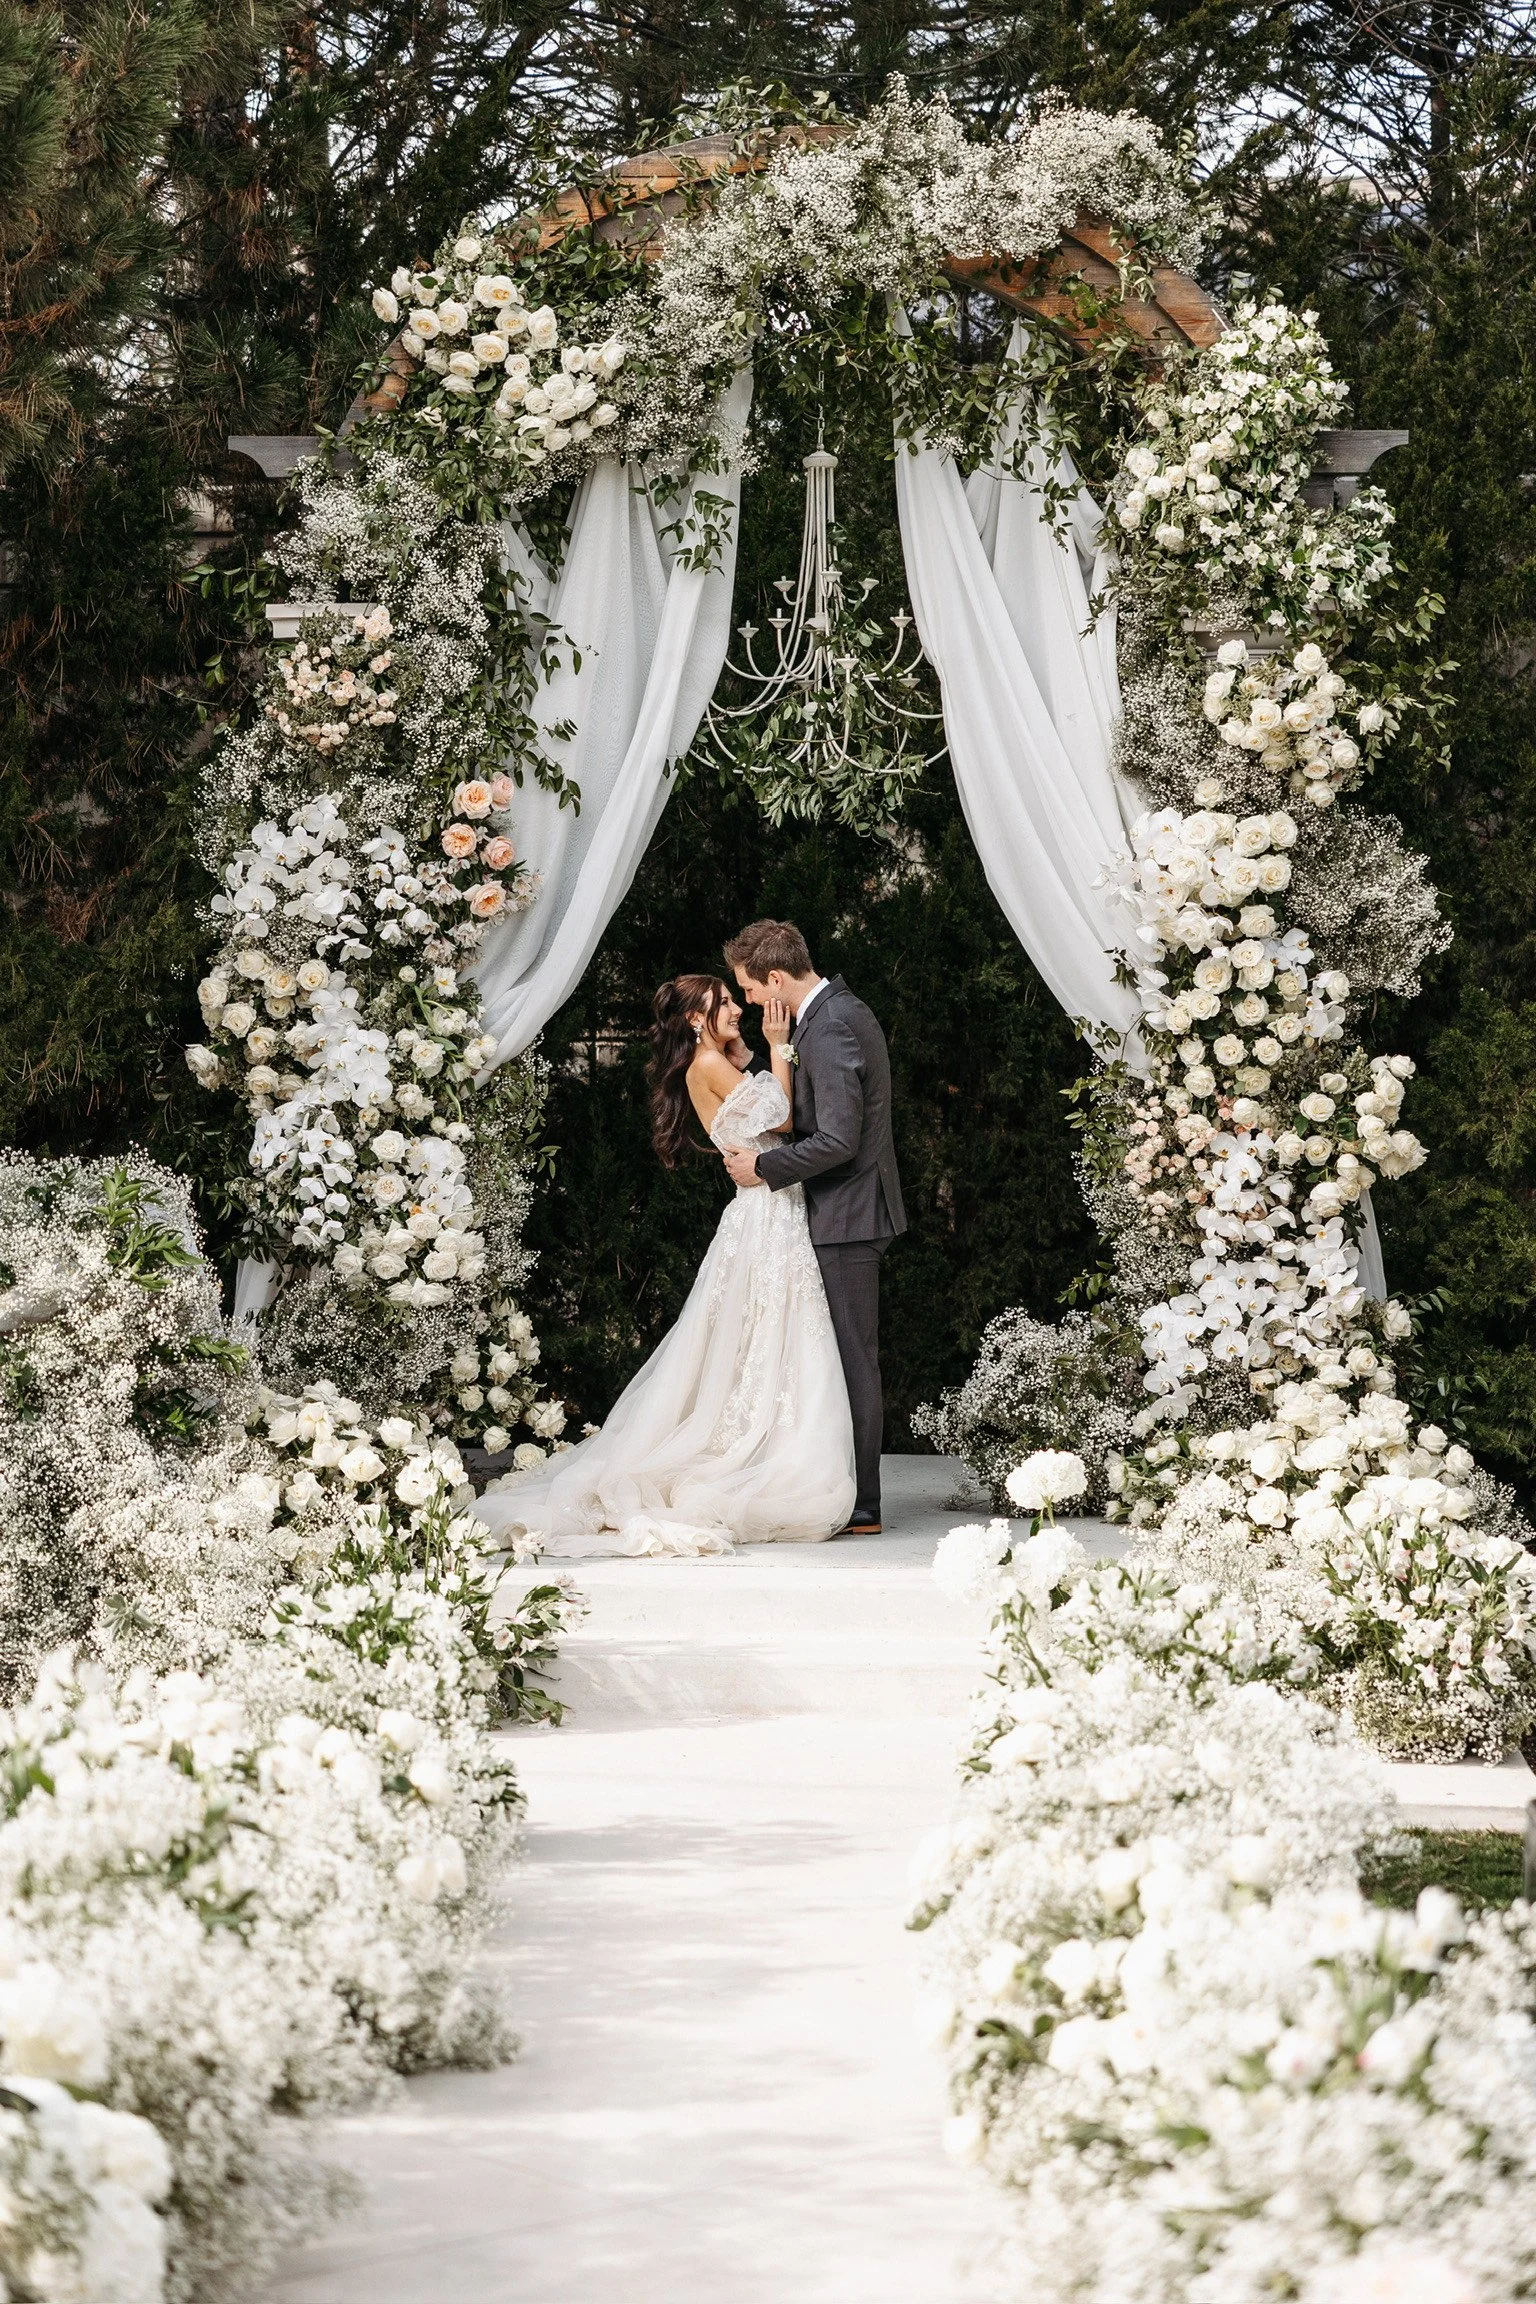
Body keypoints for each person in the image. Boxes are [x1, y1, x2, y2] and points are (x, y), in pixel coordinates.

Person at [473, 970, 856, 1557]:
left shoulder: (716, 1061)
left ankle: (770, 1442)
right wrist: (781, 1048)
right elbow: (780, 1120)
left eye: (733, 998)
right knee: (767, 1326)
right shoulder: (705, 1066)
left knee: (768, 1332)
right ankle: (751, 1450)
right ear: (696, 1020)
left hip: (772, 1210)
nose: (736, 1007)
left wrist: (752, 1051)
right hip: (764, 1215)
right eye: (723, 1003)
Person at [721, 919, 905, 1534]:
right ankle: (848, 1492)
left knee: (854, 1358)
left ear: (776, 980)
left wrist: (763, 1167)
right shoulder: (829, 1016)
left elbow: (839, 1139)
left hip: (849, 1215)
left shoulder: (830, 1026)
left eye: (748, 988)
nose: (747, 1000)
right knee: (840, 1356)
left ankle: (865, 1505)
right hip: (842, 1211)